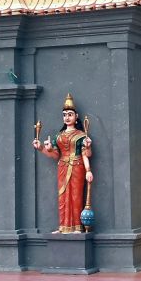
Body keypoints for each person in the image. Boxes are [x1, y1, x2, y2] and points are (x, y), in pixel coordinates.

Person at [31, 93, 93, 233]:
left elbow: (86, 154)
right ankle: (63, 226)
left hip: (77, 167)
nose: (67, 117)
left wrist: (88, 169)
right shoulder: (58, 136)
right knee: (62, 197)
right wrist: (41, 147)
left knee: (76, 196)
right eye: (64, 114)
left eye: (70, 114)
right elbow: (54, 155)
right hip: (62, 167)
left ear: (76, 117)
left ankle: (77, 226)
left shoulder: (81, 135)